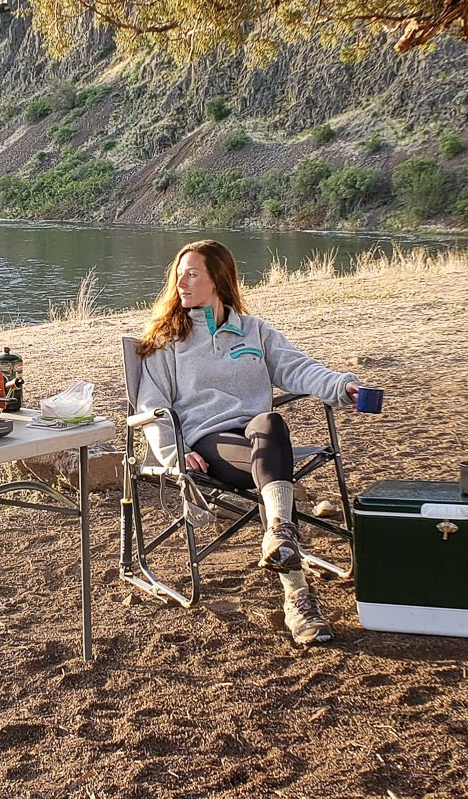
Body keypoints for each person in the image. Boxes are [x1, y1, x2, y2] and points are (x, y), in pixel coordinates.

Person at [134, 240, 359, 645]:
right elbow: (152, 406)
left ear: (218, 279)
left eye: (192, 273)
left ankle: (279, 533)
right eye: (179, 273)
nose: (181, 281)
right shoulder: (168, 340)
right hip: (208, 443)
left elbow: (297, 367)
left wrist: (343, 385)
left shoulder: (254, 330)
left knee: (271, 421)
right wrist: (174, 452)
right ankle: (298, 596)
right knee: (268, 460)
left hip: (258, 437)